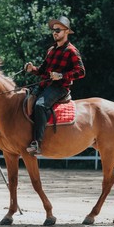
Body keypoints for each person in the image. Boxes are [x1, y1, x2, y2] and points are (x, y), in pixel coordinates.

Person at [24, 16, 85, 155]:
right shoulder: (51, 50)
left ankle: (37, 143)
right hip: (44, 84)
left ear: (67, 31)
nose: (54, 32)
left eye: (58, 30)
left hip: (60, 88)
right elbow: (42, 70)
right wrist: (32, 69)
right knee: (24, 100)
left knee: (40, 105)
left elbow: (81, 72)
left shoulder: (71, 51)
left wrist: (62, 76)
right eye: (53, 30)